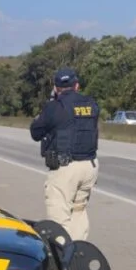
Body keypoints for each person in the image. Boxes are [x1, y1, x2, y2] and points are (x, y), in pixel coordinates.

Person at [29, 67, 100, 242]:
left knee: (59, 218)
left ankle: (64, 257)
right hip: (89, 166)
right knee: (79, 210)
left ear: (56, 87)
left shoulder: (54, 107)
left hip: (66, 169)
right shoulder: (91, 105)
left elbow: (35, 132)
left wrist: (52, 102)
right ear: (77, 85)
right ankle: (79, 252)